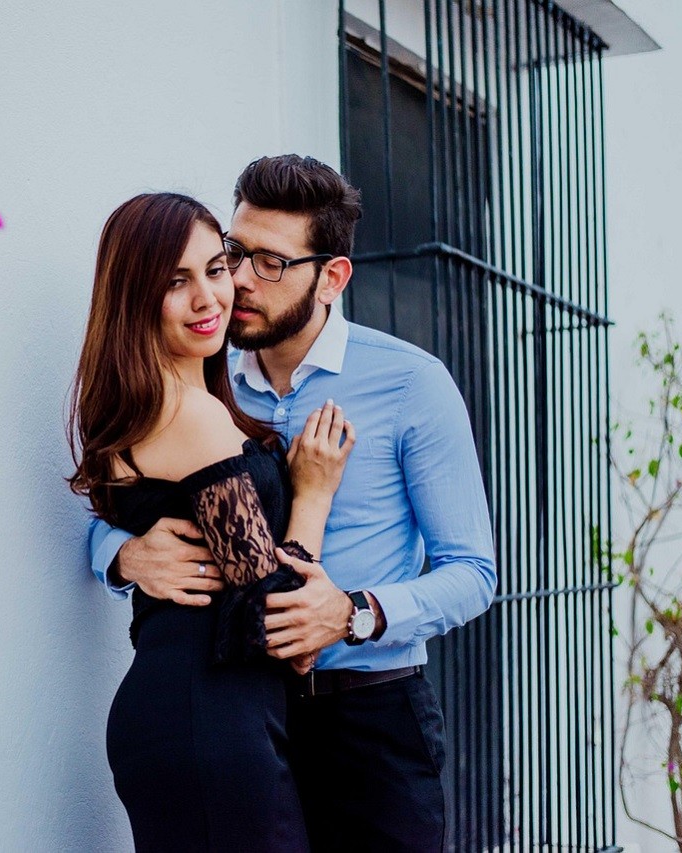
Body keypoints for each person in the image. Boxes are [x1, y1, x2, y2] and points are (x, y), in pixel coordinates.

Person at [89, 156, 497, 852]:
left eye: (270, 263)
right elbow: (110, 497)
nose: (241, 279)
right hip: (237, 713)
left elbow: (474, 572)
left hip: (369, 722)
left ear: (331, 276)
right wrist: (122, 555)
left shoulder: (413, 384)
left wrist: (357, 611)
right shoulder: (203, 376)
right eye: (236, 253)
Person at [68, 191, 355, 852]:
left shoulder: (150, 405)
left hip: (195, 716)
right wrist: (312, 495)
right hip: (211, 721)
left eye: (215, 268)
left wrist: (119, 552)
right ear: (135, 296)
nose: (209, 297)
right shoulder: (190, 416)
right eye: (175, 281)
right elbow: (275, 617)